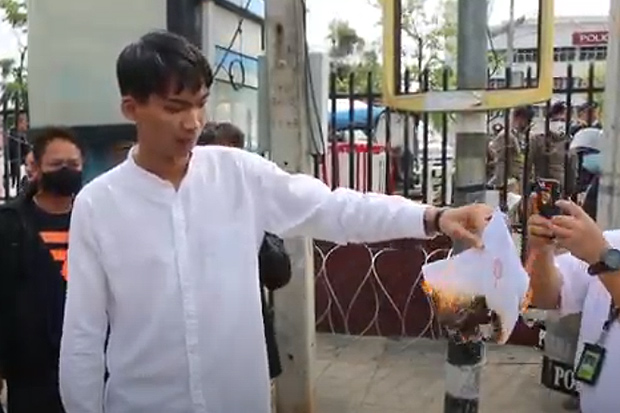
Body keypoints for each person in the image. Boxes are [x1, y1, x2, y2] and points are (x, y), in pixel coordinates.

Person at [59, 30, 493, 413]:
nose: (192, 123)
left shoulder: (239, 175)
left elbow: (335, 208)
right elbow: (83, 334)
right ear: (131, 108)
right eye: (175, 107)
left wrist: (433, 217)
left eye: (200, 105)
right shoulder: (99, 205)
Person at [199, 121, 290, 411]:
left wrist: (254, 232)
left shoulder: (253, 206)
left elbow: (278, 274)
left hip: (249, 347)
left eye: (237, 156)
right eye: (224, 157)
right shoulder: (180, 207)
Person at [0, 126, 84, 413]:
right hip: (31, 374)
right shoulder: (10, 224)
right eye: (57, 165)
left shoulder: (96, 219)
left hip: (90, 364)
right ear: (35, 167)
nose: (66, 171)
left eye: (73, 165)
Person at [527, 200, 620, 413]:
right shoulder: (611, 242)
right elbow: (545, 297)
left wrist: (602, 257)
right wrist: (542, 251)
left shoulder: (603, 248)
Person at [488, 105, 533, 192]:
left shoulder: (519, 136)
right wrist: (498, 185)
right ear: (519, 118)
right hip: (509, 184)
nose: (527, 124)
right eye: (527, 120)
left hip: (518, 183)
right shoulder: (506, 136)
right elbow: (500, 162)